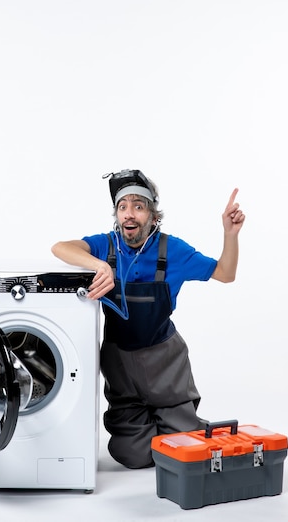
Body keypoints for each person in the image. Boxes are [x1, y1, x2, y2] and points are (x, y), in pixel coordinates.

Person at [51, 169, 245, 469]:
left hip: (165, 362)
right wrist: (99, 265)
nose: (129, 214)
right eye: (123, 206)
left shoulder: (173, 250)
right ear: (116, 214)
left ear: (153, 216)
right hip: (121, 364)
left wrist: (229, 235)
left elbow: (225, 273)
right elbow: (60, 248)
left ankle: (176, 422)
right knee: (132, 456)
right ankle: (155, 428)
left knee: (185, 446)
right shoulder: (106, 245)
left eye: (138, 207)